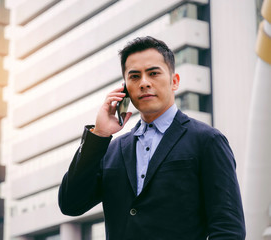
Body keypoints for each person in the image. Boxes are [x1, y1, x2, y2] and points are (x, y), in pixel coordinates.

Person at [58, 36, 245, 240]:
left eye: (153, 73)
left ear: (174, 81)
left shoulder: (207, 140)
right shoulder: (111, 150)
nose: (144, 83)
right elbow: (71, 204)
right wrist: (100, 135)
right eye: (135, 76)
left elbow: (228, 229)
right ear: (124, 89)